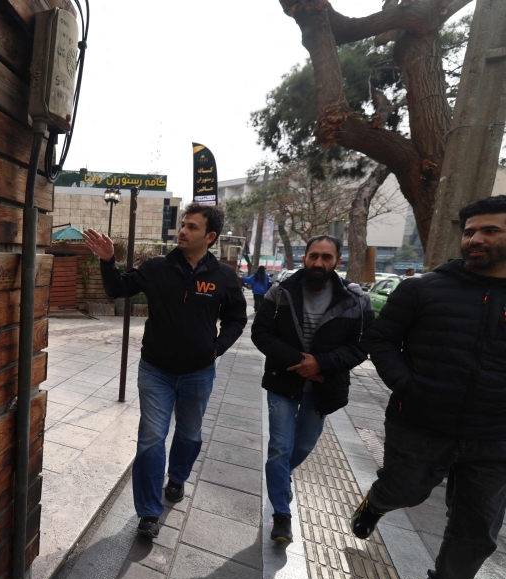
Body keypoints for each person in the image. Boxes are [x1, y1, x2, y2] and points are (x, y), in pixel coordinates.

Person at [353, 195, 506, 579]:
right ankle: (378, 501)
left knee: (479, 526)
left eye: (489, 230)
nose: (474, 238)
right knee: (407, 490)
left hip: (494, 437)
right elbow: (381, 341)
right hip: (419, 423)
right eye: (470, 231)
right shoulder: (423, 289)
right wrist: (408, 385)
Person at [82, 203, 248, 539]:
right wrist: (107, 260)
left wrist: (217, 348)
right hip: (155, 369)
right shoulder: (158, 267)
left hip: (198, 373)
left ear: (210, 236)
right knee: (151, 438)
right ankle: (147, 511)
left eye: (192, 227)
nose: (183, 231)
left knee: (189, 434)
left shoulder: (224, 276)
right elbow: (118, 289)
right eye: (182, 225)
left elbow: (237, 318)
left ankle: (178, 477)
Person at [250, 236, 374, 543]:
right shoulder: (281, 293)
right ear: (304, 258)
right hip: (284, 381)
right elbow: (261, 333)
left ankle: (280, 476)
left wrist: (321, 363)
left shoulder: (356, 300)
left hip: (323, 389)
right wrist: (299, 362)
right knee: (280, 446)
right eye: (314, 256)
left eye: (326, 257)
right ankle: (282, 514)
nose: (319, 262)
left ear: (337, 261)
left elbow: (363, 346)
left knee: (302, 446)